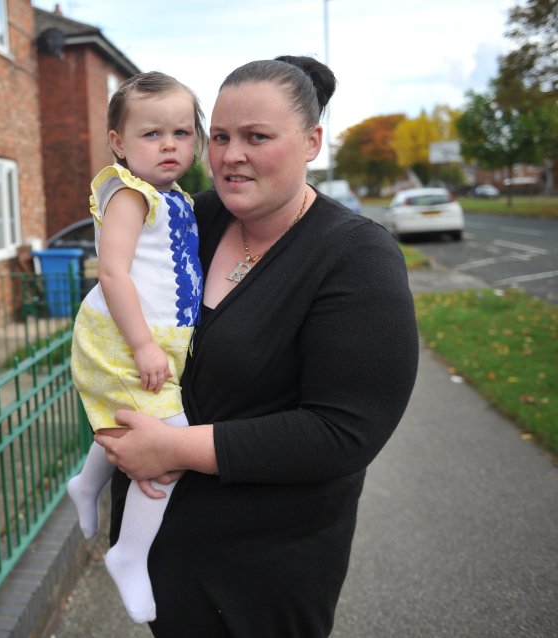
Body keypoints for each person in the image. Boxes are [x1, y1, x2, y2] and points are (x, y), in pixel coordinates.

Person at [94, 56, 420, 636]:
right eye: (218, 136)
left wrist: (173, 448)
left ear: (313, 141)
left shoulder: (356, 258)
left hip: (263, 574)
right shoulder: (198, 219)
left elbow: (344, 432)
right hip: (164, 556)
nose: (229, 155)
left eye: (256, 137)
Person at [66, 71, 207, 624]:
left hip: (147, 340)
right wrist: (144, 344)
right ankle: (129, 553)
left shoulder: (179, 199)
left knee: (135, 424)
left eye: (181, 132)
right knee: (169, 437)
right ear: (119, 143)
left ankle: (87, 482)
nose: (169, 144)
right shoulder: (130, 194)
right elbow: (113, 272)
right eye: (151, 134)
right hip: (120, 338)